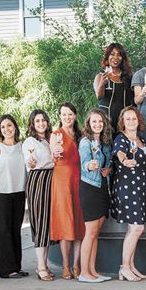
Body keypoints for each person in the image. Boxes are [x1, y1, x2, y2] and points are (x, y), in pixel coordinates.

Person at [113, 107, 146, 281]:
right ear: (123, 121)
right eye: (128, 119)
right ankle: (124, 267)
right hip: (128, 188)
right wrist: (125, 161)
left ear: (139, 120)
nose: (131, 121)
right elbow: (120, 154)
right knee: (137, 227)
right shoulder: (121, 139)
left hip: (142, 187)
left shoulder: (141, 139)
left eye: (134, 118)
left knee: (135, 228)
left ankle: (130, 266)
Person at [0, 114, 28, 278]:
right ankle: (6, 269)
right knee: (4, 230)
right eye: (3, 127)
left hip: (19, 192)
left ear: (15, 127)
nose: (6, 129)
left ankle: (16, 267)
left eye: (9, 126)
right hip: (3, 193)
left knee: (16, 230)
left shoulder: (23, 146)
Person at [77, 109, 114, 283]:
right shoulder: (85, 142)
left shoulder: (105, 143)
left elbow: (107, 166)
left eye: (100, 122)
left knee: (96, 232)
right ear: (89, 124)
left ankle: (93, 271)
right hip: (90, 188)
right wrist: (90, 166)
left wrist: (107, 170)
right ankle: (84, 273)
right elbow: (85, 163)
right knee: (90, 232)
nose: (97, 124)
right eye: (94, 122)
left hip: (102, 188)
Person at [50, 103, 85, 279]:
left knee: (79, 222)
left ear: (75, 115)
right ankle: (65, 265)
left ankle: (77, 265)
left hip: (79, 180)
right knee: (65, 222)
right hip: (62, 181)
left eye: (70, 114)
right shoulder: (56, 135)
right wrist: (55, 153)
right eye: (64, 114)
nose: (67, 117)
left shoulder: (80, 135)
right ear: (60, 116)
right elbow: (53, 156)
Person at [22, 109, 56, 281]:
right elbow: (29, 160)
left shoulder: (51, 139)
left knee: (48, 223)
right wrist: (31, 161)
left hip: (52, 179)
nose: (41, 123)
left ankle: (44, 264)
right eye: (37, 121)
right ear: (32, 124)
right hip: (38, 179)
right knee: (40, 221)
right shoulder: (30, 141)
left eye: (43, 120)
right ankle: (41, 266)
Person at [94, 43, 134, 130]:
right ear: (107, 57)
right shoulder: (100, 76)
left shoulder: (129, 77)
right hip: (106, 122)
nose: (115, 57)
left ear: (123, 58)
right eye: (112, 54)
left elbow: (133, 101)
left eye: (119, 55)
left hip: (124, 123)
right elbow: (99, 96)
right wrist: (102, 84)